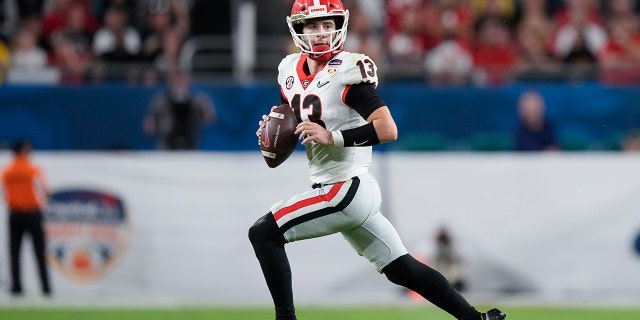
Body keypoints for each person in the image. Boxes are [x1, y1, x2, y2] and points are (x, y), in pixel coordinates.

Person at [248, 1, 506, 320]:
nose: (321, 33)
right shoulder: (288, 69)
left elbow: (388, 129)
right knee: (402, 268)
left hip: (344, 189)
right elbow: (287, 124)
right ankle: (476, 319)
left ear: (339, 26)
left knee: (263, 233)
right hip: (342, 188)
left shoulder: (347, 70)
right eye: (312, 26)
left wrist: (334, 137)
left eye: (327, 24)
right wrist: (272, 132)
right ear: (298, 29)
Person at [1, 139, 52, 296]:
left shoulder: (7, 171)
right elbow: (46, 191)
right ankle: (45, 287)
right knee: (39, 251)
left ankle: (17, 286)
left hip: (14, 214)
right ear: (24, 151)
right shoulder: (32, 170)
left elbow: (4, 192)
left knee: (15, 252)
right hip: (32, 213)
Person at [143, 70, 216, 150]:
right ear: (171, 83)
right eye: (176, 81)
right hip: (166, 144)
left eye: (181, 81)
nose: (179, 84)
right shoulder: (160, 100)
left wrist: (206, 108)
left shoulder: (198, 100)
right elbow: (149, 124)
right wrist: (152, 125)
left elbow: (209, 119)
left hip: (191, 143)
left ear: (188, 82)